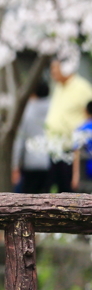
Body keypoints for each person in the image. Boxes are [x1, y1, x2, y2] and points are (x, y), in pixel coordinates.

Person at [45, 58, 92, 192]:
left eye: (55, 68)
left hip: (73, 150)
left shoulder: (82, 88)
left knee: (70, 192)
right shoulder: (59, 87)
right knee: (57, 191)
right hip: (55, 147)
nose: (52, 72)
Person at [11, 81, 52, 193]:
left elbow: (20, 139)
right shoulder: (54, 108)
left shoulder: (26, 110)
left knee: (30, 199)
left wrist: (15, 165)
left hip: (30, 162)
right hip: (51, 160)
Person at [72, 101, 92, 192]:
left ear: (86, 111)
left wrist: (75, 176)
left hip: (85, 172)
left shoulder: (81, 129)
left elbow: (77, 153)